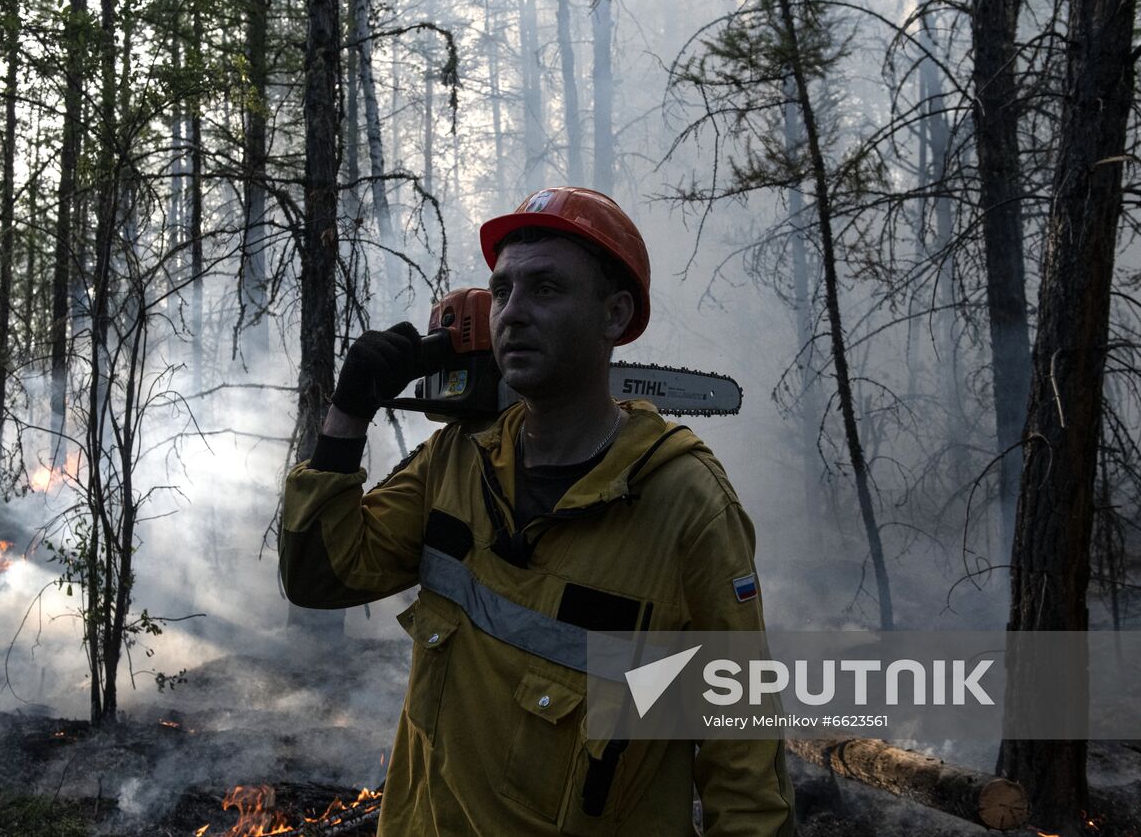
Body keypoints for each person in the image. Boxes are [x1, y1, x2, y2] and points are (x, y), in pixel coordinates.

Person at [279, 187, 795, 835]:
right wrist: (347, 414)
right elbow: (318, 575)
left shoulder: (685, 504)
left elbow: (744, 767)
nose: (511, 313)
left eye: (545, 288)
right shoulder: (457, 460)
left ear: (614, 314)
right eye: (501, 291)